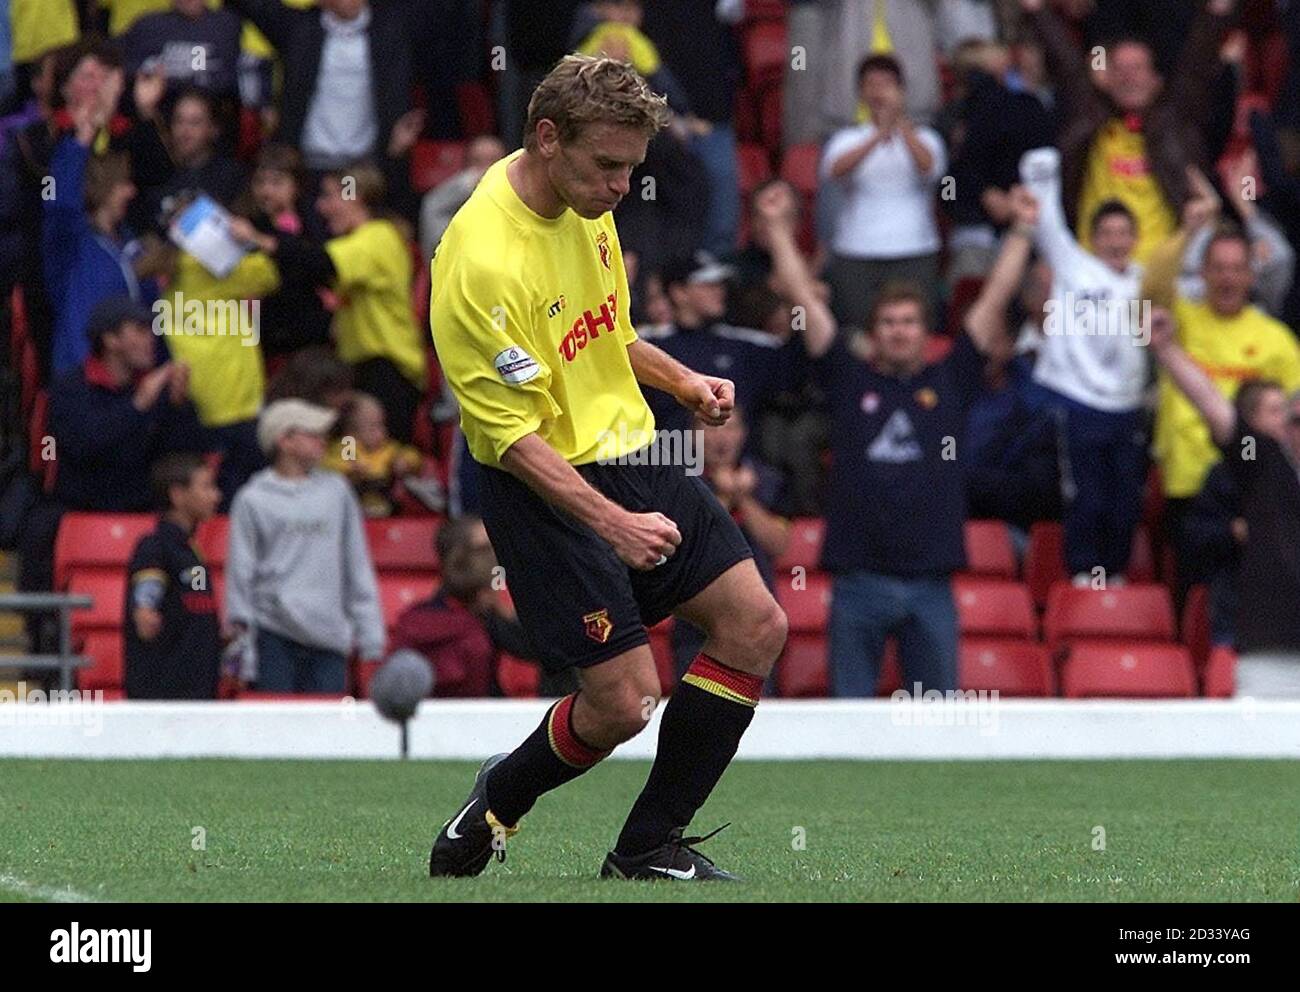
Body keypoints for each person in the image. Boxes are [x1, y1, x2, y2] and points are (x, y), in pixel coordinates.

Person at [427, 55, 787, 882]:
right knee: (622, 705)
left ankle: (646, 848)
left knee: (756, 625)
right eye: (609, 166)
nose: (624, 185)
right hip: (546, 489)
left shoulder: (588, 198)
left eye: (633, 167)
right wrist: (613, 524)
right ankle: (498, 798)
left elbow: (611, 333)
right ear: (548, 139)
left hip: (635, 453)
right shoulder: (480, 264)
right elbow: (516, 442)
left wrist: (684, 382)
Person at [778, 176, 1025, 696]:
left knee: (937, 735)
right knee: (850, 729)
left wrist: (1023, 230)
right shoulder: (848, 379)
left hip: (932, 583)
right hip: (857, 583)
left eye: (909, 321)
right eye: (888, 321)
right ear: (875, 330)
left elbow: (995, 296)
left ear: (924, 329)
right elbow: (803, 296)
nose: (898, 330)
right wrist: (777, 230)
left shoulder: (952, 380)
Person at [1144, 212, 1300, 587]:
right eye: (1218, 268)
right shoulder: (1179, 320)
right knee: (1190, 599)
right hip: (1187, 482)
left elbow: (1295, 408)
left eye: (1236, 268)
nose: (1227, 277)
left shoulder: (1276, 338)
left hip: (1251, 487)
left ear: (1251, 275)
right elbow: (1150, 290)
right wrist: (1188, 231)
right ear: (1203, 274)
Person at [1149, 309, 1300, 697]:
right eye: (1293, 419)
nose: (1295, 427)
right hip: (1270, 655)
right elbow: (1215, 409)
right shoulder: (1261, 462)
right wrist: (1167, 350)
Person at [1017, 0, 1237, 263]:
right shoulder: (1088, 118)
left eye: (1137, 69)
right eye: (1120, 70)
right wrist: (1036, 10)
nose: (1129, 78)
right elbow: (1067, 65)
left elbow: (1195, 67)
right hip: (1093, 272)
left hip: (1164, 273)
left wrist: (1215, 14)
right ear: (1105, 78)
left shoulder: (1174, 122)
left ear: (1156, 81)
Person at [229, 162, 427, 443]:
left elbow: (319, 262)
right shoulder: (356, 241)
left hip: (388, 370)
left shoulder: (378, 236)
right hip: (364, 367)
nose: (322, 208)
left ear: (353, 196)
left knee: (380, 459)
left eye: (329, 196)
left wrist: (260, 239)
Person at [225, 399, 386, 693]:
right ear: (284, 440)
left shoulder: (338, 492)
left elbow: (356, 565)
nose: (323, 440)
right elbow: (241, 574)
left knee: (327, 732)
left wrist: (371, 639)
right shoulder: (252, 499)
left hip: (330, 637)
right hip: (272, 636)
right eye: (312, 434)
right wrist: (243, 649)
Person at [820, 53, 947, 328]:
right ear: (861, 93)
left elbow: (929, 168)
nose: (879, 91)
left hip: (914, 248)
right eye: (871, 84)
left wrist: (900, 125)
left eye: (886, 83)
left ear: (901, 90)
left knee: (915, 330)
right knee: (857, 331)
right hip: (856, 250)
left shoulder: (927, 138)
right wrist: (878, 133)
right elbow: (835, 171)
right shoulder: (845, 138)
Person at [388, 516, 572, 698]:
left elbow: (541, 650)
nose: (495, 556)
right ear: (457, 558)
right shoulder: (419, 622)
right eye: (485, 549)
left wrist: (498, 606)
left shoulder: (493, 614)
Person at [124, 452, 223, 699]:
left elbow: (198, 601)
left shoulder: (192, 552)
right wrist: (144, 611)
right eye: (206, 487)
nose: (216, 496)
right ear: (178, 495)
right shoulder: (154, 547)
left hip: (198, 694)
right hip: (164, 699)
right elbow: (147, 593)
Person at [321, 391, 424, 518]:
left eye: (382, 425)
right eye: (373, 427)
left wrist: (405, 462)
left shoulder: (386, 448)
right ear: (352, 431)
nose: (381, 432)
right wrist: (349, 468)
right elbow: (328, 463)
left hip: (386, 508)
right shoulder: (349, 444)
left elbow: (412, 454)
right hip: (354, 509)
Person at [418, 134, 505, 266]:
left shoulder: (520, 197)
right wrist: (467, 184)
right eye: (478, 162)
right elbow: (437, 245)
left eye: (494, 162)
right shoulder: (449, 202)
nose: (486, 170)